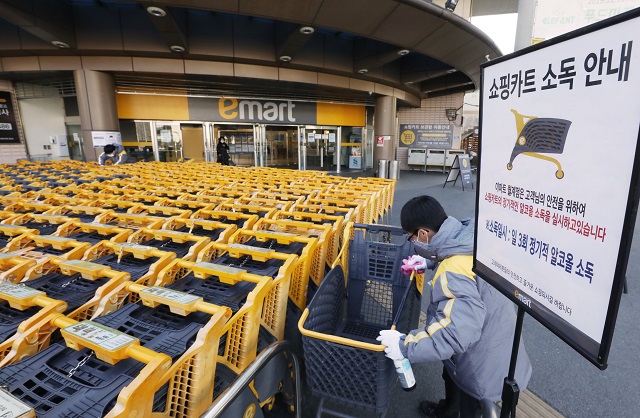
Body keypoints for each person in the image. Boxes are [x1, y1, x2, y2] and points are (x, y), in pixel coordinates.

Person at [377, 195, 532, 418]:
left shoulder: (453, 270)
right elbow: (455, 252)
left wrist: (404, 345)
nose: (412, 242)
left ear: (422, 233)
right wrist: (429, 260)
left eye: (411, 237)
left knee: (473, 406)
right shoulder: (472, 236)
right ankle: (447, 410)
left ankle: (452, 411)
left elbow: (454, 333)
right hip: (496, 336)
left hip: (480, 362)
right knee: (452, 379)